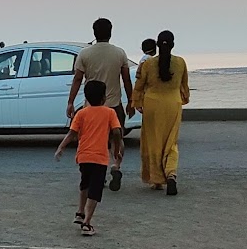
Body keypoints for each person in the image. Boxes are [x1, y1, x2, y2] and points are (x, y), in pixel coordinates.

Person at [66, 18, 135, 191]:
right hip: (113, 105)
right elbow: (126, 79)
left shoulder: (85, 54)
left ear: (94, 33)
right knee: (116, 138)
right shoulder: (119, 53)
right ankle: (116, 166)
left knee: (94, 141)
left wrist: (70, 102)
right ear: (110, 33)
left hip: (91, 107)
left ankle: (98, 174)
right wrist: (131, 101)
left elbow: (77, 79)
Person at [54, 79, 122, 237]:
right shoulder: (109, 113)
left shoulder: (81, 113)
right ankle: (87, 223)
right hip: (99, 157)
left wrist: (61, 147)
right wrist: (116, 149)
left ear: (86, 97)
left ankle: (80, 212)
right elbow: (117, 132)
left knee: (84, 184)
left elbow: (72, 133)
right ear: (104, 97)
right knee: (95, 190)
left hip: (83, 156)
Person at [133, 30, 189, 195]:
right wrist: (182, 100)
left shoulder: (148, 64)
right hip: (172, 105)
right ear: (173, 45)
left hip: (152, 105)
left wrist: (137, 103)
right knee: (171, 143)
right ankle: (171, 173)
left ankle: (156, 180)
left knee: (153, 142)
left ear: (157, 45)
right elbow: (184, 87)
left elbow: (139, 86)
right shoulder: (180, 63)